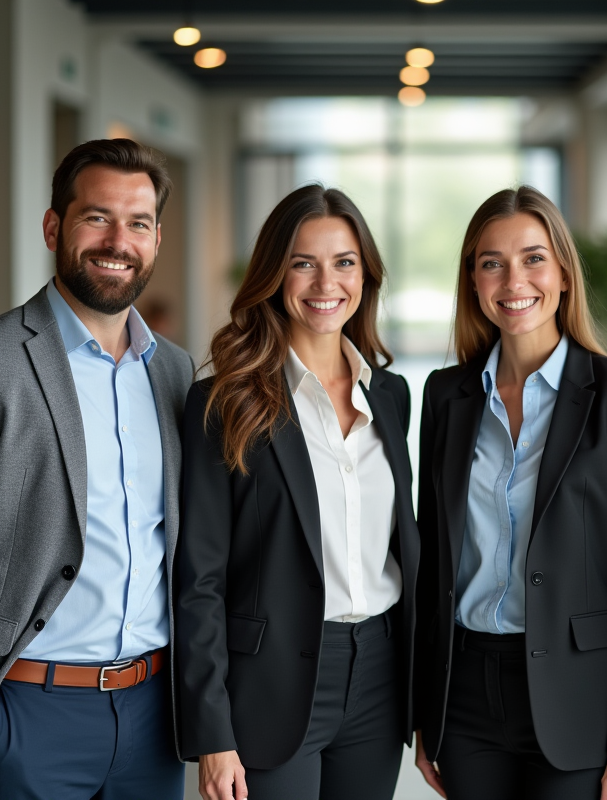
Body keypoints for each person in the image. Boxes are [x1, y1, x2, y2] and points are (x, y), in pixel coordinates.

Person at [0, 138, 195, 799]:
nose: (119, 240)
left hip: (152, 718)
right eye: (96, 217)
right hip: (23, 713)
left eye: (138, 223)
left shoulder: (173, 370)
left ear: (158, 239)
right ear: (54, 226)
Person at [412, 186, 607, 800]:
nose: (513, 279)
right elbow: (432, 563)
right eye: (491, 262)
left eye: (533, 258)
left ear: (562, 272)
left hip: (578, 696)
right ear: (473, 280)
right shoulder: (446, 397)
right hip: (466, 694)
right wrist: (426, 711)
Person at [176, 184, 419, 800]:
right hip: (270, 680)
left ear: (366, 274)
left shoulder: (390, 396)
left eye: (343, 262)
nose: (324, 283)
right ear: (273, 274)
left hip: (379, 674)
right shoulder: (225, 402)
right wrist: (212, 733)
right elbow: (199, 577)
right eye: (301, 263)